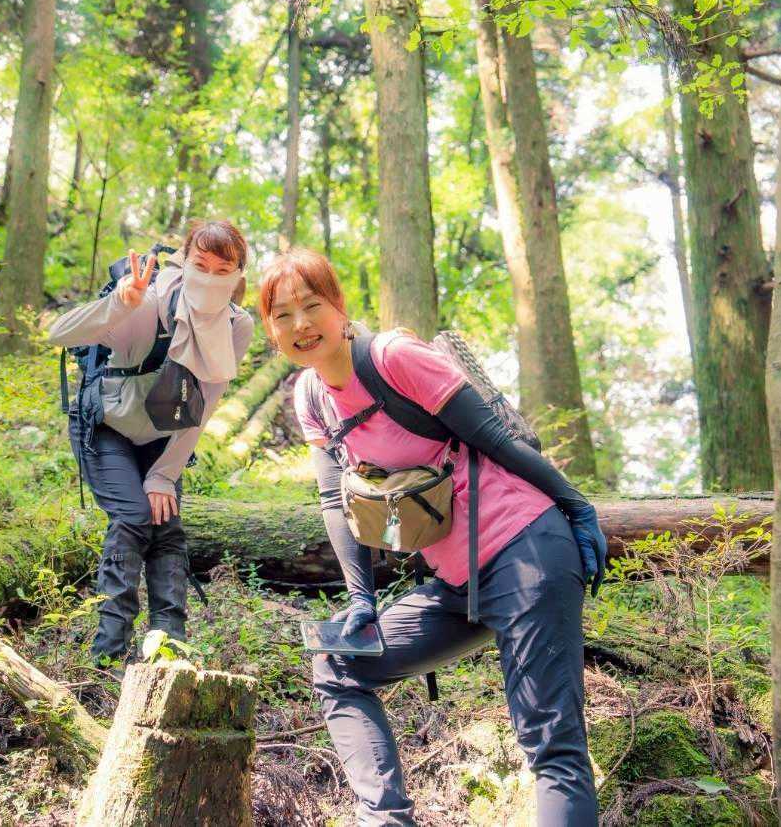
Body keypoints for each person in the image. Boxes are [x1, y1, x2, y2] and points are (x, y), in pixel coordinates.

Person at [258, 247, 605, 827]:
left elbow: (495, 438)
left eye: (311, 305)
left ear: (339, 307)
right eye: (283, 315)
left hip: (526, 549)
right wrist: (361, 599)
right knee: (339, 667)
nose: (301, 324)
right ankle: (386, 820)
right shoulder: (311, 397)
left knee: (552, 745)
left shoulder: (394, 358)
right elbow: (334, 500)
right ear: (271, 331)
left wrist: (575, 505)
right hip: (459, 584)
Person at [48, 220, 254, 671]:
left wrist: (163, 474)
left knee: (167, 529)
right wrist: (119, 305)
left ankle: (169, 648)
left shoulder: (236, 325)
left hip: (162, 435)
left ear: (239, 275)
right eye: (201, 265)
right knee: (134, 516)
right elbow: (59, 333)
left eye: (224, 270)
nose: (210, 278)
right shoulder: (148, 303)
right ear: (185, 260)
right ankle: (108, 654)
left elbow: (203, 406)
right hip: (106, 426)